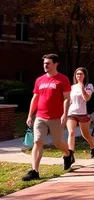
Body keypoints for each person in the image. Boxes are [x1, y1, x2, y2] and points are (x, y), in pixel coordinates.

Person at [23, 54, 74, 182]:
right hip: (40, 116)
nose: (45, 65)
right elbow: (35, 98)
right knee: (37, 142)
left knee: (57, 142)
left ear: (56, 64)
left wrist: (65, 114)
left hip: (56, 117)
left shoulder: (63, 79)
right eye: (44, 63)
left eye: (48, 63)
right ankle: (35, 171)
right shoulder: (39, 80)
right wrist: (30, 115)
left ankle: (68, 154)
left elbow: (67, 98)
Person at [66, 67, 94, 159]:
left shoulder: (89, 86)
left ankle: (93, 146)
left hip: (83, 113)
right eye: (77, 74)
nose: (78, 76)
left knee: (85, 134)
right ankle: (70, 154)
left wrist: (82, 88)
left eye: (81, 74)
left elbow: (87, 98)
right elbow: (69, 101)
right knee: (71, 133)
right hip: (71, 113)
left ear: (85, 75)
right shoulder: (72, 87)